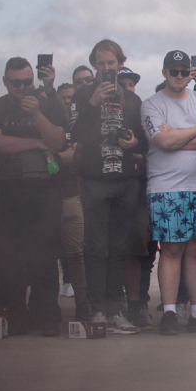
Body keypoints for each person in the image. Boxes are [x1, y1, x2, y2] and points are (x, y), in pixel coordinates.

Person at [0, 57, 68, 336]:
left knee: (45, 256)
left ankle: (47, 316)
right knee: (9, 258)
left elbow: (57, 142)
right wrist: (35, 143)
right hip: (5, 193)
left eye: (26, 82)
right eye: (15, 83)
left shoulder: (50, 104)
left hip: (44, 192)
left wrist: (38, 114)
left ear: (34, 80)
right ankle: (16, 315)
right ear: (5, 82)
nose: (21, 87)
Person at [141, 51, 196, 334]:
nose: (178, 76)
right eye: (173, 71)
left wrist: (177, 137)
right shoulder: (151, 103)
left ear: (190, 73)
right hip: (166, 188)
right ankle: (170, 311)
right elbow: (161, 140)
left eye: (183, 71)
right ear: (164, 72)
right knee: (171, 250)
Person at [73, 40, 147, 334]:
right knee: (95, 248)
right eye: (101, 63)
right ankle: (97, 310)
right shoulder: (81, 95)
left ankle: (115, 310)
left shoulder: (133, 99)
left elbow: (143, 138)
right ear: (94, 64)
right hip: (94, 178)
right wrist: (91, 104)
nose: (106, 68)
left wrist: (134, 143)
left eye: (111, 63)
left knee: (119, 249)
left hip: (126, 180)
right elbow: (75, 135)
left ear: (120, 63)